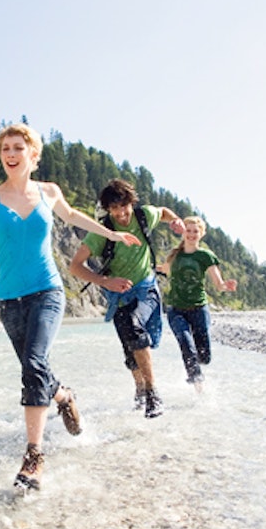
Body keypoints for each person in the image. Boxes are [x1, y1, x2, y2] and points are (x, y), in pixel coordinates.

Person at [0, 123, 140, 490]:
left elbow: (73, 216)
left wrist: (112, 234)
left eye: (18, 148)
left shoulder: (48, 192)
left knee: (34, 365)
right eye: (5, 148)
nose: (10, 154)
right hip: (8, 299)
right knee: (32, 368)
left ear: (33, 156)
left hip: (47, 293)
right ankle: (64, 396)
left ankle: (34, 457)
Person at [69, 179, 185, 419]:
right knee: (130, 350)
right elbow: (75, 266)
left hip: (146, 288)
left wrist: (175, 220)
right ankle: (140, 389)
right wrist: (105, 282)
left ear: (132, 203)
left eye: (125, 206)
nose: (121, 214)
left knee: (137, 329)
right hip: (118, 296)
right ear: (108, 209)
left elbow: (163, 212)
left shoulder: (143, 216)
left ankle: (153, 393)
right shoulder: (102, 232)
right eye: (115, 209)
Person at [156, 216, 237, 391]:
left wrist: (225, 286)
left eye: (195, 231)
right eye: (188, 230)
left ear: (201, 234)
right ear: (183, 232)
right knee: (186, 344)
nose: (191, 234)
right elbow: (164, 270)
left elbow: (218, 283)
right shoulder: (174, 255)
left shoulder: (205, 256)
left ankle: (197, 367)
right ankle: (197, 384)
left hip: (199, 309)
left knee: (204, 355)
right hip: (175, 309)